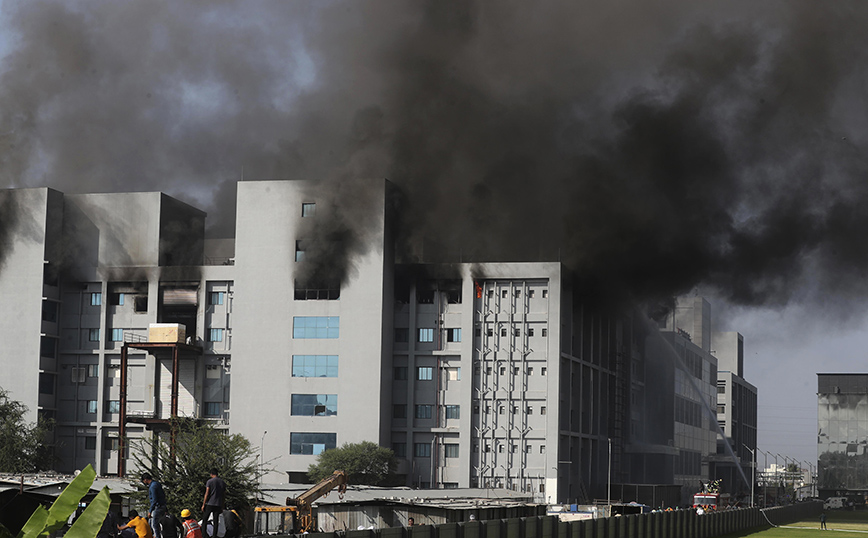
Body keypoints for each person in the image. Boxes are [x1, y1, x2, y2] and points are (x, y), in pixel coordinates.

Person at [201, 468, 226, 538]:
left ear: (211, 474)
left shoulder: (209, 481)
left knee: (205, 519)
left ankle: (204, 535)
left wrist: (203, 504)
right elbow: (224, 495)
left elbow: (207, 493)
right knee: (216, 521)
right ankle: (214, 535)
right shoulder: (222, 482)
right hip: (218, 504)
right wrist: (222, 505)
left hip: (210, 503)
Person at [142, 473, 167, 538]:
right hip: (162, 506)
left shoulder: (152, 486)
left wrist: (150, 511)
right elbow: (163, 496)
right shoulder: (157, 484)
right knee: (159, 524)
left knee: (154, 525)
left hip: (157, 507)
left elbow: (154, 500)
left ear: (145, 479)